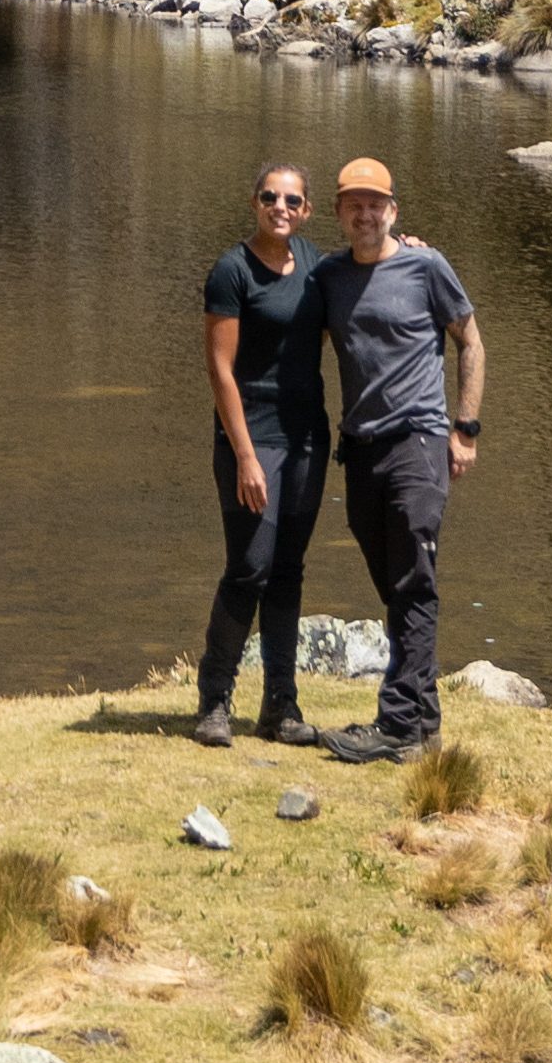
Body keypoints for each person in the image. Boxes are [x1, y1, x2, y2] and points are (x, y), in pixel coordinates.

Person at [306, 153, 484, 757]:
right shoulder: (328, 276)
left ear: (393, 210)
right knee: (396, 582)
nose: (365, 214)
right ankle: (423, 719)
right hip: (358, 448)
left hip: (418, 442)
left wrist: (465, 429)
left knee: (413, 578)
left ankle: (400, 725)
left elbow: (471, 341)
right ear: (338, 212)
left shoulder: (425, 265)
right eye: (353, 204)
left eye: (375, 204)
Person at [193, 161, 327, 748]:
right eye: (271, 197)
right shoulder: (232, 270)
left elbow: (369, 271)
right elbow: (220, 370)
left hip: (306, 440)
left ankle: (281, 707)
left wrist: (409, 244)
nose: (281, 207)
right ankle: (214, 702)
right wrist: (245, 456)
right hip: (252, 438)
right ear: (254, 202)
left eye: (292, 200)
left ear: (307, 210)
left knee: (288, 572)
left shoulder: (318, 265)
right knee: (250, 566)